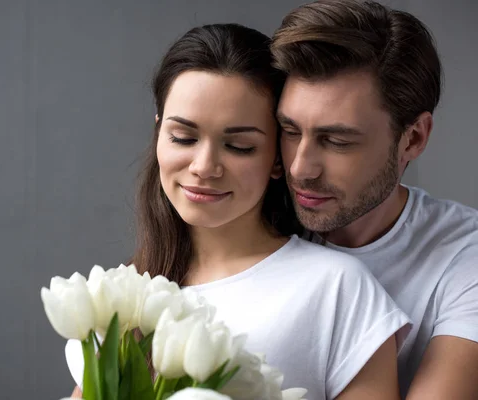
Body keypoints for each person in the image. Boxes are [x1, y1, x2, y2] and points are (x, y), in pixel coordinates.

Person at [67, 23, 410, 399]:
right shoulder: (122, 294)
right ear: (158, 135)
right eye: (183, 137)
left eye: (240, 146)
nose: (204, 166)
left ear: (277, 159)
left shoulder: (336, 288)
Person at [270, 0, 478, 398]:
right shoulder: (244, 219)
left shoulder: (465, 258)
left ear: (413, 138)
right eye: (290, 130)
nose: (300, 168)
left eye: (337, 141)